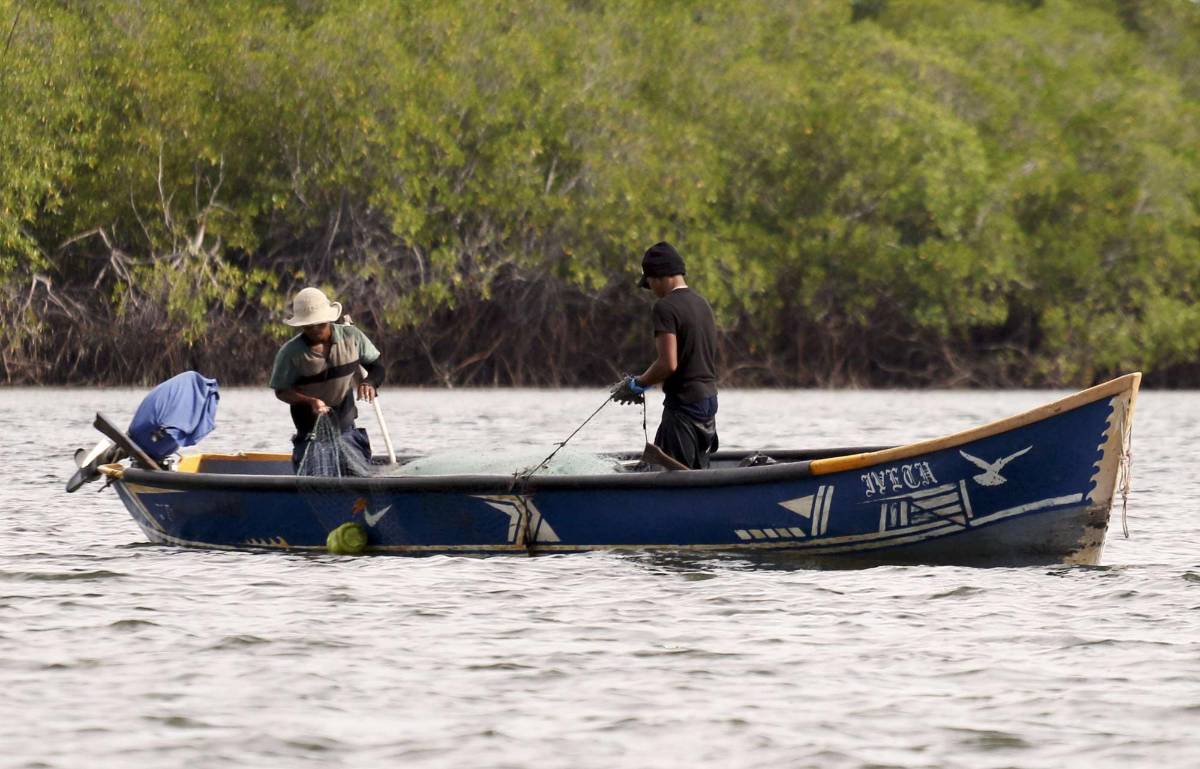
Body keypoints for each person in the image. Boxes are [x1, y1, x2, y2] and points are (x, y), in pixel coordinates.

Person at [612, 242, 719, 469]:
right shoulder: (702, 304)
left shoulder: (665, 307)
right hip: (708, 402)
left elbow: (668, 364)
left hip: (684, 404)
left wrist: (637, 384)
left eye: (649, 282)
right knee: (692, 470)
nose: (650, 288)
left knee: (672, 475)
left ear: (659, 276)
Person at [268, 287, 386, 468]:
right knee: (317, 473)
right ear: (302, 326)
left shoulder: (352, 337)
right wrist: (310, 401)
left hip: (345, 425)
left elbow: (377, 367)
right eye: (309, 327)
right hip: (311, 431)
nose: (316, 330)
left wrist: (369, 382)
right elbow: (282, 391)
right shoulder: (290, 353)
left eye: (320, 325)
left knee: (358, 470)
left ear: (329, 320)